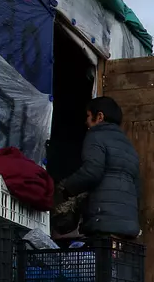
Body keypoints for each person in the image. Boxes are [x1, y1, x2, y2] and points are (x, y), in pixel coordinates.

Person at [59, 96, 141, 238]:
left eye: (88, 116)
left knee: (98, 259)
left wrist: (65, 189)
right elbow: (137, 187)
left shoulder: (96, 136)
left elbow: (91, 172)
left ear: (100, 116)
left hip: (103, 221)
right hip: (128, 225)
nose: (86, 122)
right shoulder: (129, 146)